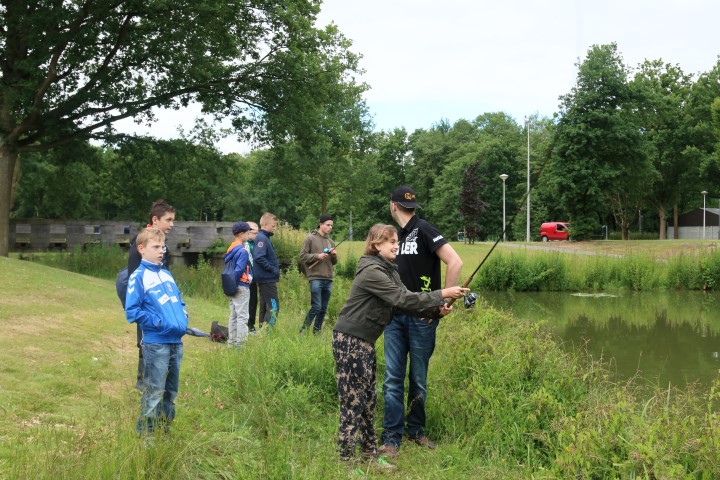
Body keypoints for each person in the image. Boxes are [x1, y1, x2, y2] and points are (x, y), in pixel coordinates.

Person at [332, 224, 467, 465]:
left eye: (397, 241)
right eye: (391, 242)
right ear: (376, 245)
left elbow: (406, 303)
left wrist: (435, 311)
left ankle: (369, 456)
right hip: (350, 340)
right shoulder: (372, 271)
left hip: (365, 341)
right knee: (353, 402)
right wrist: (442, 293)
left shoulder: (389, 270)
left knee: (368, 401)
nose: (397, 246)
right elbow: (401, 298)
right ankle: (346, 461)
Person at [380, 186, 464, 457]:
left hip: (422, 319)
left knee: (418, 378)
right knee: (393, 378)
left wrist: (443, 303)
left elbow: (455, 262)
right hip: (394, 317)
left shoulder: (424, 229)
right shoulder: (395, 236)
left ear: (392, 206)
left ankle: (415, 430)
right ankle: (391, 437)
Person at [125, 227, 188, 439]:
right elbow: (132, 311)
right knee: (154, 391)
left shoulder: (167, 275)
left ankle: (164, 430)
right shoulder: (138, 277)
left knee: (171, 391)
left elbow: (179, 301)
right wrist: (158, 323)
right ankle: (147, 435)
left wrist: (184, 315)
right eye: (156, 247)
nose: (161, 251)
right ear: (141, 249)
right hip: (156, 343)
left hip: (176, 342)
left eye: (163, 247)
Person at [127, 199, 175, 391]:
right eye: (168, 220)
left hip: (161, 300)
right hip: (147, 302)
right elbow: (134, 274)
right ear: (155, 220)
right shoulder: (141, 242)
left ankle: (158, 378)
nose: (172, 224)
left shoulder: (161, 243)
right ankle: (143, 382)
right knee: (146, 339)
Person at [299, 214, 337, 334]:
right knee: (316, 307)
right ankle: (303, 331)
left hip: (328, 278)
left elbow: (334, 262)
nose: (330, 227)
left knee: (323, 309)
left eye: (331, 225)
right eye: (328, 225)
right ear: (321, 225)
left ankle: (317, 332)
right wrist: (317, 256)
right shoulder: (310, 239)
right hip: (315, 278)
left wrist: (334, 255)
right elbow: (302, 256)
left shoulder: (330, 242)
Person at [225, 221, 253, 348]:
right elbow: (238, 270)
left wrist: (228, 288)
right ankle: (240, 346)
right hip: (241, 286)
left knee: (233, 316)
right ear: (241, 234)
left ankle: (231, 343)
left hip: (232, 286)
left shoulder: (231, 248)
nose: (248, 235)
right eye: (247, 233)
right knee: (242, 317)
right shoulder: (243, 251)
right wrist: (233, 287)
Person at [254, 212, 280, 329]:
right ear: (264, 225)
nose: (275, 228)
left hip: (265, 278)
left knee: (265, 305)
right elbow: (259, 257)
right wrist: (272, 269)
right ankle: (268, 331)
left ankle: (261, 329)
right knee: (274, 307)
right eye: (273, 226)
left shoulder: (265, 238)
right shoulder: (262, 238)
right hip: (267, 278)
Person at [246, 221, 259, 334]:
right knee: (248, 302)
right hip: (246, 278)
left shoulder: (256, 243)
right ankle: (248, 326)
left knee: (254, 301)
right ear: (248, 232)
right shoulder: (245, 245)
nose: (257, 235)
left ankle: (251, 325)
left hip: (254, 278)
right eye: (255, 233)